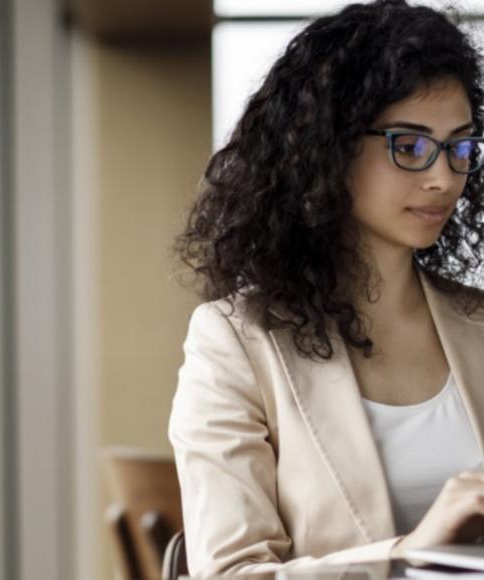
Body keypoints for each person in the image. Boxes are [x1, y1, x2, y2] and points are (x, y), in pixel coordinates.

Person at [169, 0, 484, 576]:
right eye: (409, 146)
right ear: (326, 151)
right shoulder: (236, 343)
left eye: (460, 147)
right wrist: (406, 554)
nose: (443, 177)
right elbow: (232, 573)